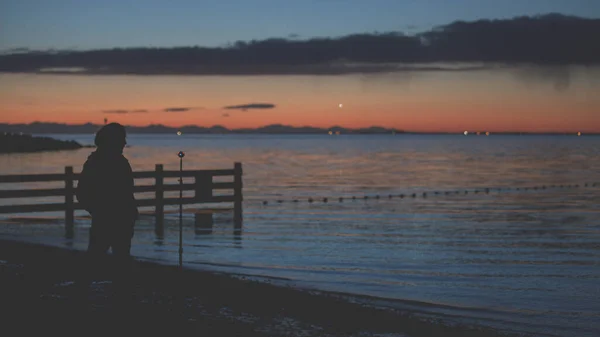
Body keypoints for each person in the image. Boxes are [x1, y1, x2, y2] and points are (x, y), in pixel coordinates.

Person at [76, 123, 138, 286]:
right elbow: (82, 193)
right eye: (122, 139)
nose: (125, 143)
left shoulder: (111, 161)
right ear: (113, 140)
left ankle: (116, 292)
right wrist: (99, 210)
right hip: (109, 218)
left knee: (113, 258)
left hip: (121, 218)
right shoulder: (100, 162)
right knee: (101, 257)